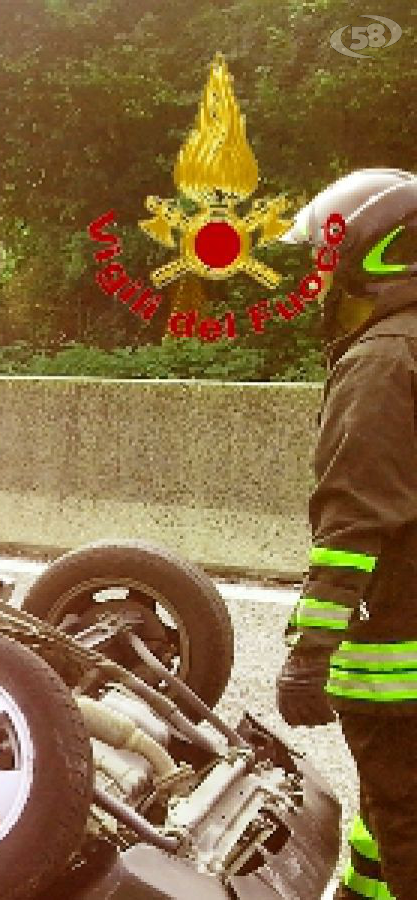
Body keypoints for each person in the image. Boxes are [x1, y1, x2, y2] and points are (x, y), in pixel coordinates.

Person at [274, 168, 417, 900]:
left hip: (399, 664)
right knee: (388, 819)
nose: (316, 280)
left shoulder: (382, 363)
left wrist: (310, 653)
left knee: (406, 823)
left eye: (323, 259)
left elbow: (353, 524)